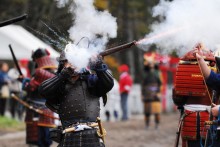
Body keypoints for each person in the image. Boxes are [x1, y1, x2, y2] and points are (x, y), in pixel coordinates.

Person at [39, 51, 114, 146]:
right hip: (68, 135)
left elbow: (109, 84)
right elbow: (42, 90)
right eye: (69, 62)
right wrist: (62, 76)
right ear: (63, 64)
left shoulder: (91, 81)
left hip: (92, 135)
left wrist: (98, 65)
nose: (72, 65)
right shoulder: (60, 85)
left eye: (75, 61)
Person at [23, 49, 57, 147]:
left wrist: (24, 83)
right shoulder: (53, 73)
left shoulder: (40, 73)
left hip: (37, 109)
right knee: (45, 139)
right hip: (47, 108)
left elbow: (30, 87)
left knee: (39, 139)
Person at [142, 62, 162, 129]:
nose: (151, 64)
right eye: (150, 63)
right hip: (147, 93)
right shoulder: (145, 73)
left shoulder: (158, 72)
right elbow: (143, 84)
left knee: (156, 110)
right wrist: (142, 94)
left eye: (152, 63)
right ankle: (147, 125)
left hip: (156, 92)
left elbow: (160, 84)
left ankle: (157, 124)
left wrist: (159, 92)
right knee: (147, 110)